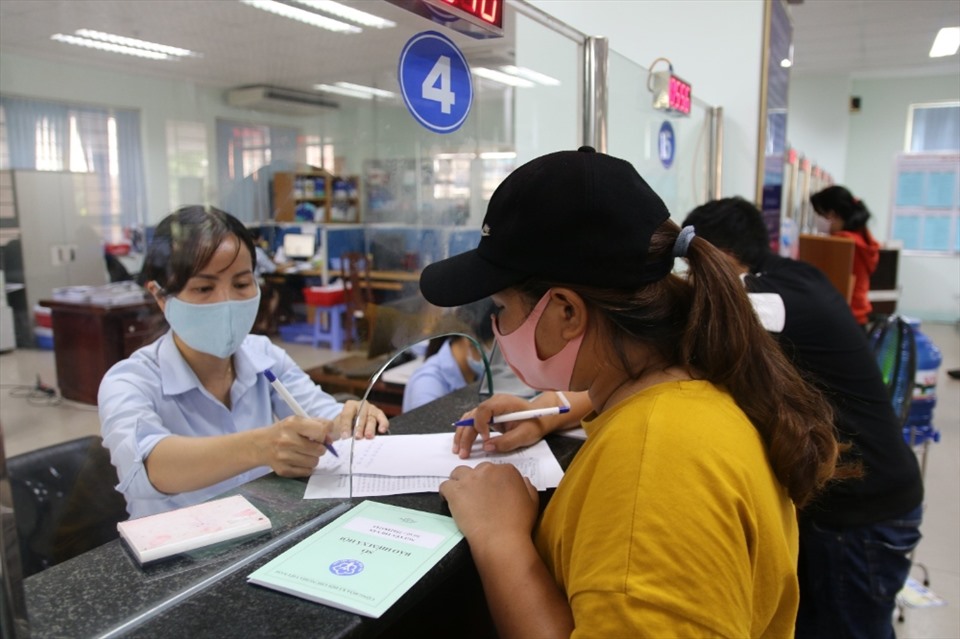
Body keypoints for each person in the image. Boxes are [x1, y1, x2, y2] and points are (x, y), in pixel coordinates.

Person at [419, 147, 846, 638]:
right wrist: (550, 409)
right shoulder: (691, 380)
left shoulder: (656, 468)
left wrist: (500, 538)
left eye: (502, 308)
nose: (498, 326)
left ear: (567, 312)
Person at [683, 197, 923, 639]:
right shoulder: (800, 275)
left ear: (721, 257)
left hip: (862, 512)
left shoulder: (770, 300)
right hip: (860, 498)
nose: (692, 279)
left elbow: (682, 327)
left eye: (695, 266)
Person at [98, 206, 389, 519]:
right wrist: (259, 447)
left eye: (240, 284)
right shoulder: (129, 381)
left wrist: (346, 420)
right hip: (176, 545)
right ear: (160, 295)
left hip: (262, 530)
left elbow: (319, 413)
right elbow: (146, 467)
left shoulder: (264, 356)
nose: (226, 301)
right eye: (204, 288)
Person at [401, 300, 496, 413]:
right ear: (469, 339)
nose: (493, 357)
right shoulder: (427, 385)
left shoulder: (475, 374)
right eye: (491, 350)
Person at [810, 185, 880, 325]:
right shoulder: (862, 235)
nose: (818, 220)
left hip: (846, 313)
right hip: (859, 311)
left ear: (832, 214)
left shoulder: (842, 242)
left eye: (820, 214)